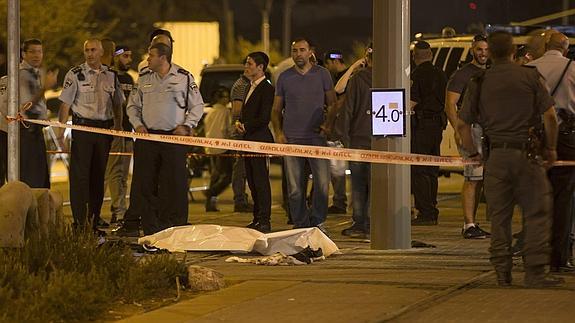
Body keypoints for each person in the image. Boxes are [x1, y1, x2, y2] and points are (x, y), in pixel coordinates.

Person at [457, 31, 563, 288]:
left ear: (490, 52)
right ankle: (535, 273)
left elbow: (462, 124)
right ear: (513, 51)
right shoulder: (529, 76)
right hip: (527, 156)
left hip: (495, 158)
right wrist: (550, 149)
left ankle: (502, 271)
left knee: (499, 217)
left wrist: (473, 153)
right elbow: (550, 117)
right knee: (536, 213)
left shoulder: (479, 81)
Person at [123, 42, 203, 236]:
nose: (147, 59)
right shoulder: (143, 78)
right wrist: (138, 125)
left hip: (173, 140)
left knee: (174, 184)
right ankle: (151, 228)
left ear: (163, 58)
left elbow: (197, 105)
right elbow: (132, 106)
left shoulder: (184, 77)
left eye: (151, 55)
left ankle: (175, 227)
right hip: (148, 137)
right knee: (146, 183)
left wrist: (187, 125)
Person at [58, 38, 124, 234]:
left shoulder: (111, 76)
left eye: (93, 50)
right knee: (80, 178)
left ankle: (93, 222)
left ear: (101, 51)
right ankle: (80, 223)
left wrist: (118, 129)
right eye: (87, 50)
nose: (90, 53)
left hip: (103, 131)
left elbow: (118, 104)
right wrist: (61, 134)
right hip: (83, 130)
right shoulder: (75, 74)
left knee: (97, 177)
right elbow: (65, 105)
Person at [271, 37, 336, 233]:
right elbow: (275, 109)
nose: (298, 54)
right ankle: (300, 223)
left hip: (317, 138)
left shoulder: (322, 74)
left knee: (322, 185)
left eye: (301, 50)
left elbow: (333, 103)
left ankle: (317, 221)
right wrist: (279, 133)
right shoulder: (284, 77)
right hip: (292, 138)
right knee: (294, 188)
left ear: (310, 52)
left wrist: (328, 125)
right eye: (294, 51)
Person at [527, 32, 575, 272]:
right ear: (565, 50)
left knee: (533, 197)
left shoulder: (528, 68)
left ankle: (532, 255)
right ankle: (559, 258)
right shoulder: (572, 68)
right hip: (566, 139)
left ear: (545, 46)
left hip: (533, 137)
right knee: (564, 199)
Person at [445, 34, 491, 238]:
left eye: (486, 49)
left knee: (480, 177)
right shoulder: (463, 74)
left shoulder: (491, 72)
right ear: (473, 49)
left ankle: (472, 222)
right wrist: (458, 130)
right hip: (471, 130)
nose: (483, 53)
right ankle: (469, 225)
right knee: (472, 178)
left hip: (487, 130)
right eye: (479, 49)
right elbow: (450, 104)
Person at [335, 44, 373, 238]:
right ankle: (375, 221)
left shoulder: (358, 79)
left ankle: (360, 223)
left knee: (358, 186)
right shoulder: (393, 77)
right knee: (377, 184)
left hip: (358, 140)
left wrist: (343, 134)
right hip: (385, 143)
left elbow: (347, 108)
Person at [235, 51, 275, 233]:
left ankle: (265, 219)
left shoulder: (266, 88)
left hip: (258, 140)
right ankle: (257, 218)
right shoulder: (248, 86)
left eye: (250, 64)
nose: (246, 66)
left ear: (260, 67)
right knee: (251, 180)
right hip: (247, 140)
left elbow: (264, 117)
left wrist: (247, 126)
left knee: (260, 180)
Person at [410, 41, 447, 226]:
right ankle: (432, 208)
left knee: (419, 169)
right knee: (432, 169)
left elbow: (412, 101)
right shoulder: (440, 73)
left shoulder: (416, 75)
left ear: (415, 56)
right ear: (431, 54)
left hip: (422, 126)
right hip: (437, 126)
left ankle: (426, 212)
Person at [18, 39, 57, 188]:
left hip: (36, 129)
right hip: (27, 130)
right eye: (32, 51)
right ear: (23, 54)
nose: (37, 55)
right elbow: (26, 105)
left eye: (39, 51)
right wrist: (45, 88)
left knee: (41, 177)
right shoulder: (22, 75)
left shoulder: (36, 73)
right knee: (32, 178)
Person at [104, 45, 134, 224]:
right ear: (116, 57)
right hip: (115, 131)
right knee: (114, 172)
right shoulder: (110, 76)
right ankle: (119, 209)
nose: (129, 60)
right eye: (125, 56)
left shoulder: (130, 78)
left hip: (128, 130)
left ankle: (120, 207)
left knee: (123, 175)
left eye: (130, 56)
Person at [322, 49, 349, 215]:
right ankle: (340, 200)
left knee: (337, 168)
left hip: (339, 130)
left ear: (332, 62)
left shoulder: (343, 79)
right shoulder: (349, 76)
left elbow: (338, 103)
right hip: (344, 128)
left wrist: (328, 122)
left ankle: (340, 201)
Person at [204, 87, 233, 212]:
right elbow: (225, 129)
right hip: (222, 147)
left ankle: (210, 204)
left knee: (215, 175)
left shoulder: (210, 111)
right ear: (219, 98)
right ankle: (211, 192)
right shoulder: (225, 111)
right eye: (225, 96)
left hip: (210, 147)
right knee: (227, 176)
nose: (228, 99)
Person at [230, 72, 254, 213]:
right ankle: (239, 199)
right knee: (241, 167)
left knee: (244, 167)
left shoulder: (249, 84)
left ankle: (242, 198)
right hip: (241, 132)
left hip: (246, 131)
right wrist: (240, 125)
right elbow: (237, 111)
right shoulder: (241, 85)